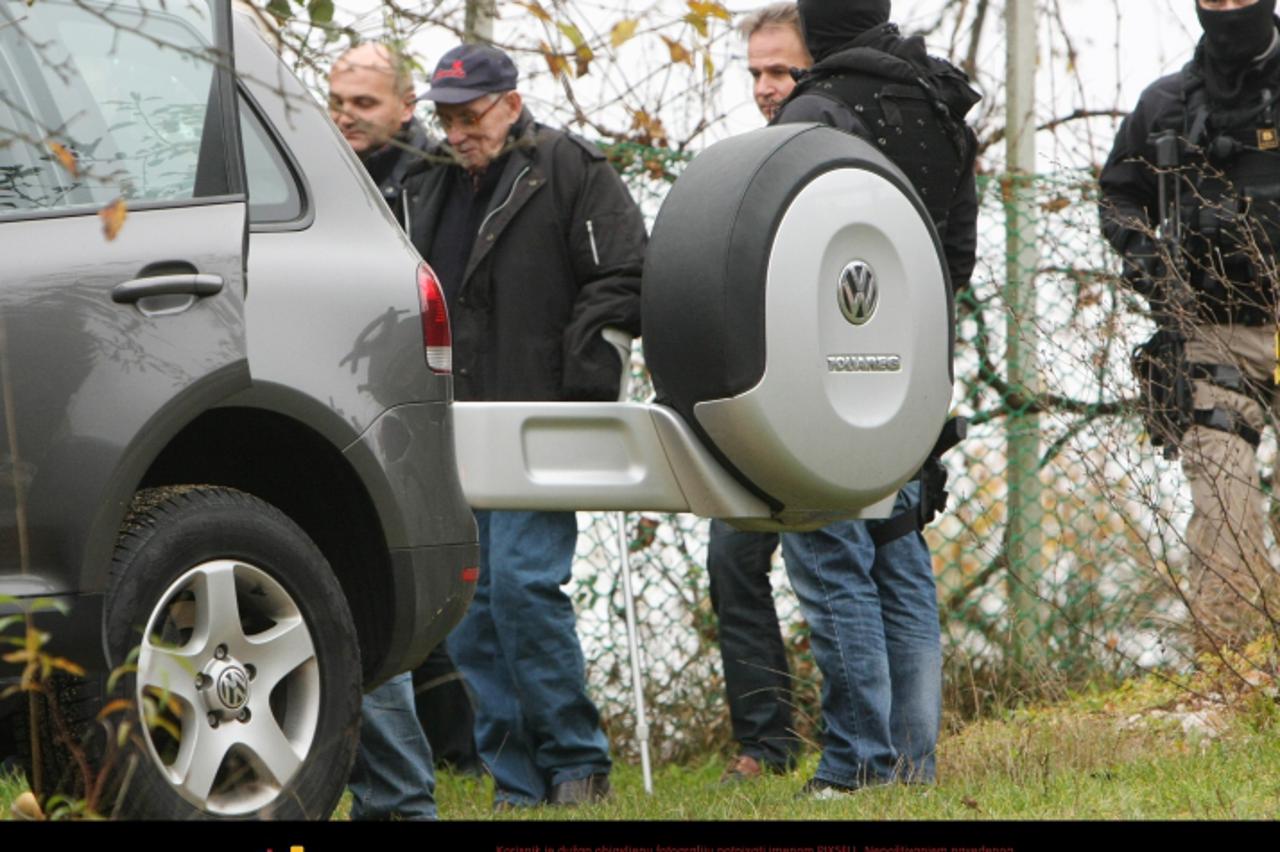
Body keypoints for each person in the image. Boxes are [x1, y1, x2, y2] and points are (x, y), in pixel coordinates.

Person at [406, 43, 646, 809]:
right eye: (445, 116)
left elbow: (624, 275)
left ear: (511, 103)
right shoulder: (426, 183)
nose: (457, 131)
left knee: (524, 589)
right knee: (471, 609)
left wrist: (583, 379)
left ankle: (578, 764)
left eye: (470, 114)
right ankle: (517, 781)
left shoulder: (572, 167)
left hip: (540, 419)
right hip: (455, 423)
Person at [772, 0, 980, 797]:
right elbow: (954, 256)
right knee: (896, 549)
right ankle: (913, 767)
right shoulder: (939, 100)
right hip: (916, 360)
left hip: (830, 360)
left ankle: (856, 766)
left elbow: (788, 254)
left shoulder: (817, 111)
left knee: (832, 555)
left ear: (816, 23)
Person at [327, 42, 481, 820]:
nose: (345, 114)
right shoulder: (325, 178)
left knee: (413, 591)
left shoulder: (442, 179)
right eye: (337, 100)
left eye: (363, 102)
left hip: (427, 403)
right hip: (345, 399)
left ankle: (424, 780)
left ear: (404, 107)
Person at [1099, 0, 1280, 651]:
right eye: (1215, 0)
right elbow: (1118, 192)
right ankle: (1239, 674)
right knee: (1223, 505)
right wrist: (1147, 258)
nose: (1228, 11)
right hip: (1212, 331)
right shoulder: (1167, 105)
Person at [706, 2, 812, 786]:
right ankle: (766, 743)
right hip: (747, 409)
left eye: (782, 70)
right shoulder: (739, 161)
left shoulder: (834, 152)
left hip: (821, 413)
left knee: (834, 573)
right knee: (733, 563)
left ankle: (862, 742)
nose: (767, 87)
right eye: (756, 73)